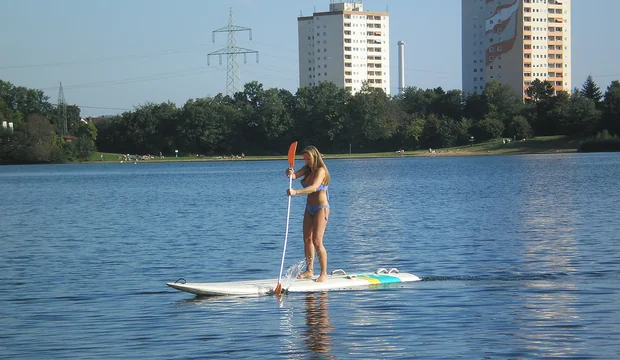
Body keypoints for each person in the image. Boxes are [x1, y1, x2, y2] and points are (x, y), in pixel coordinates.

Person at [285, 145, 331, 282]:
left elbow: (314, 187)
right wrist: (289, 173)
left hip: (321, 208)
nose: (306, 161)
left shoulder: (321, 170)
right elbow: (294, 176)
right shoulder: (307, 169)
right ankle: (309, 271)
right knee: (307, 239)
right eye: (305, 159)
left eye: (308, 158)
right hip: (309, 207)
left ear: (315, 156)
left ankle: (324, 273)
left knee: (317, 241)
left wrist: (296, 192)